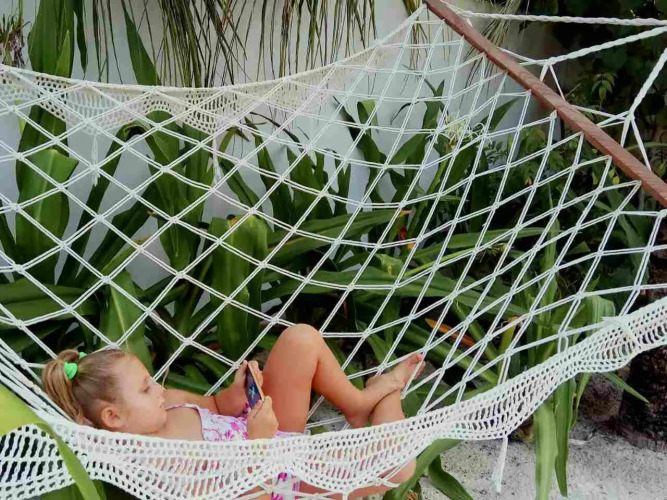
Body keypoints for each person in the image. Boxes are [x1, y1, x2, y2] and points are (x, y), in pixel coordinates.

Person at [42, 324, 424, 499]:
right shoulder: (157, 469)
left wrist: (236, 394)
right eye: (145, 388)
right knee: (398, 463)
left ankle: (358, 406)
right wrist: (258, 446)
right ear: (114, 418)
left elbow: (215, 406)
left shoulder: (167, 402)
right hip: (283, 482)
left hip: (269, 433)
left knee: (301, 340)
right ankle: (387, 392)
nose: (158, 389)